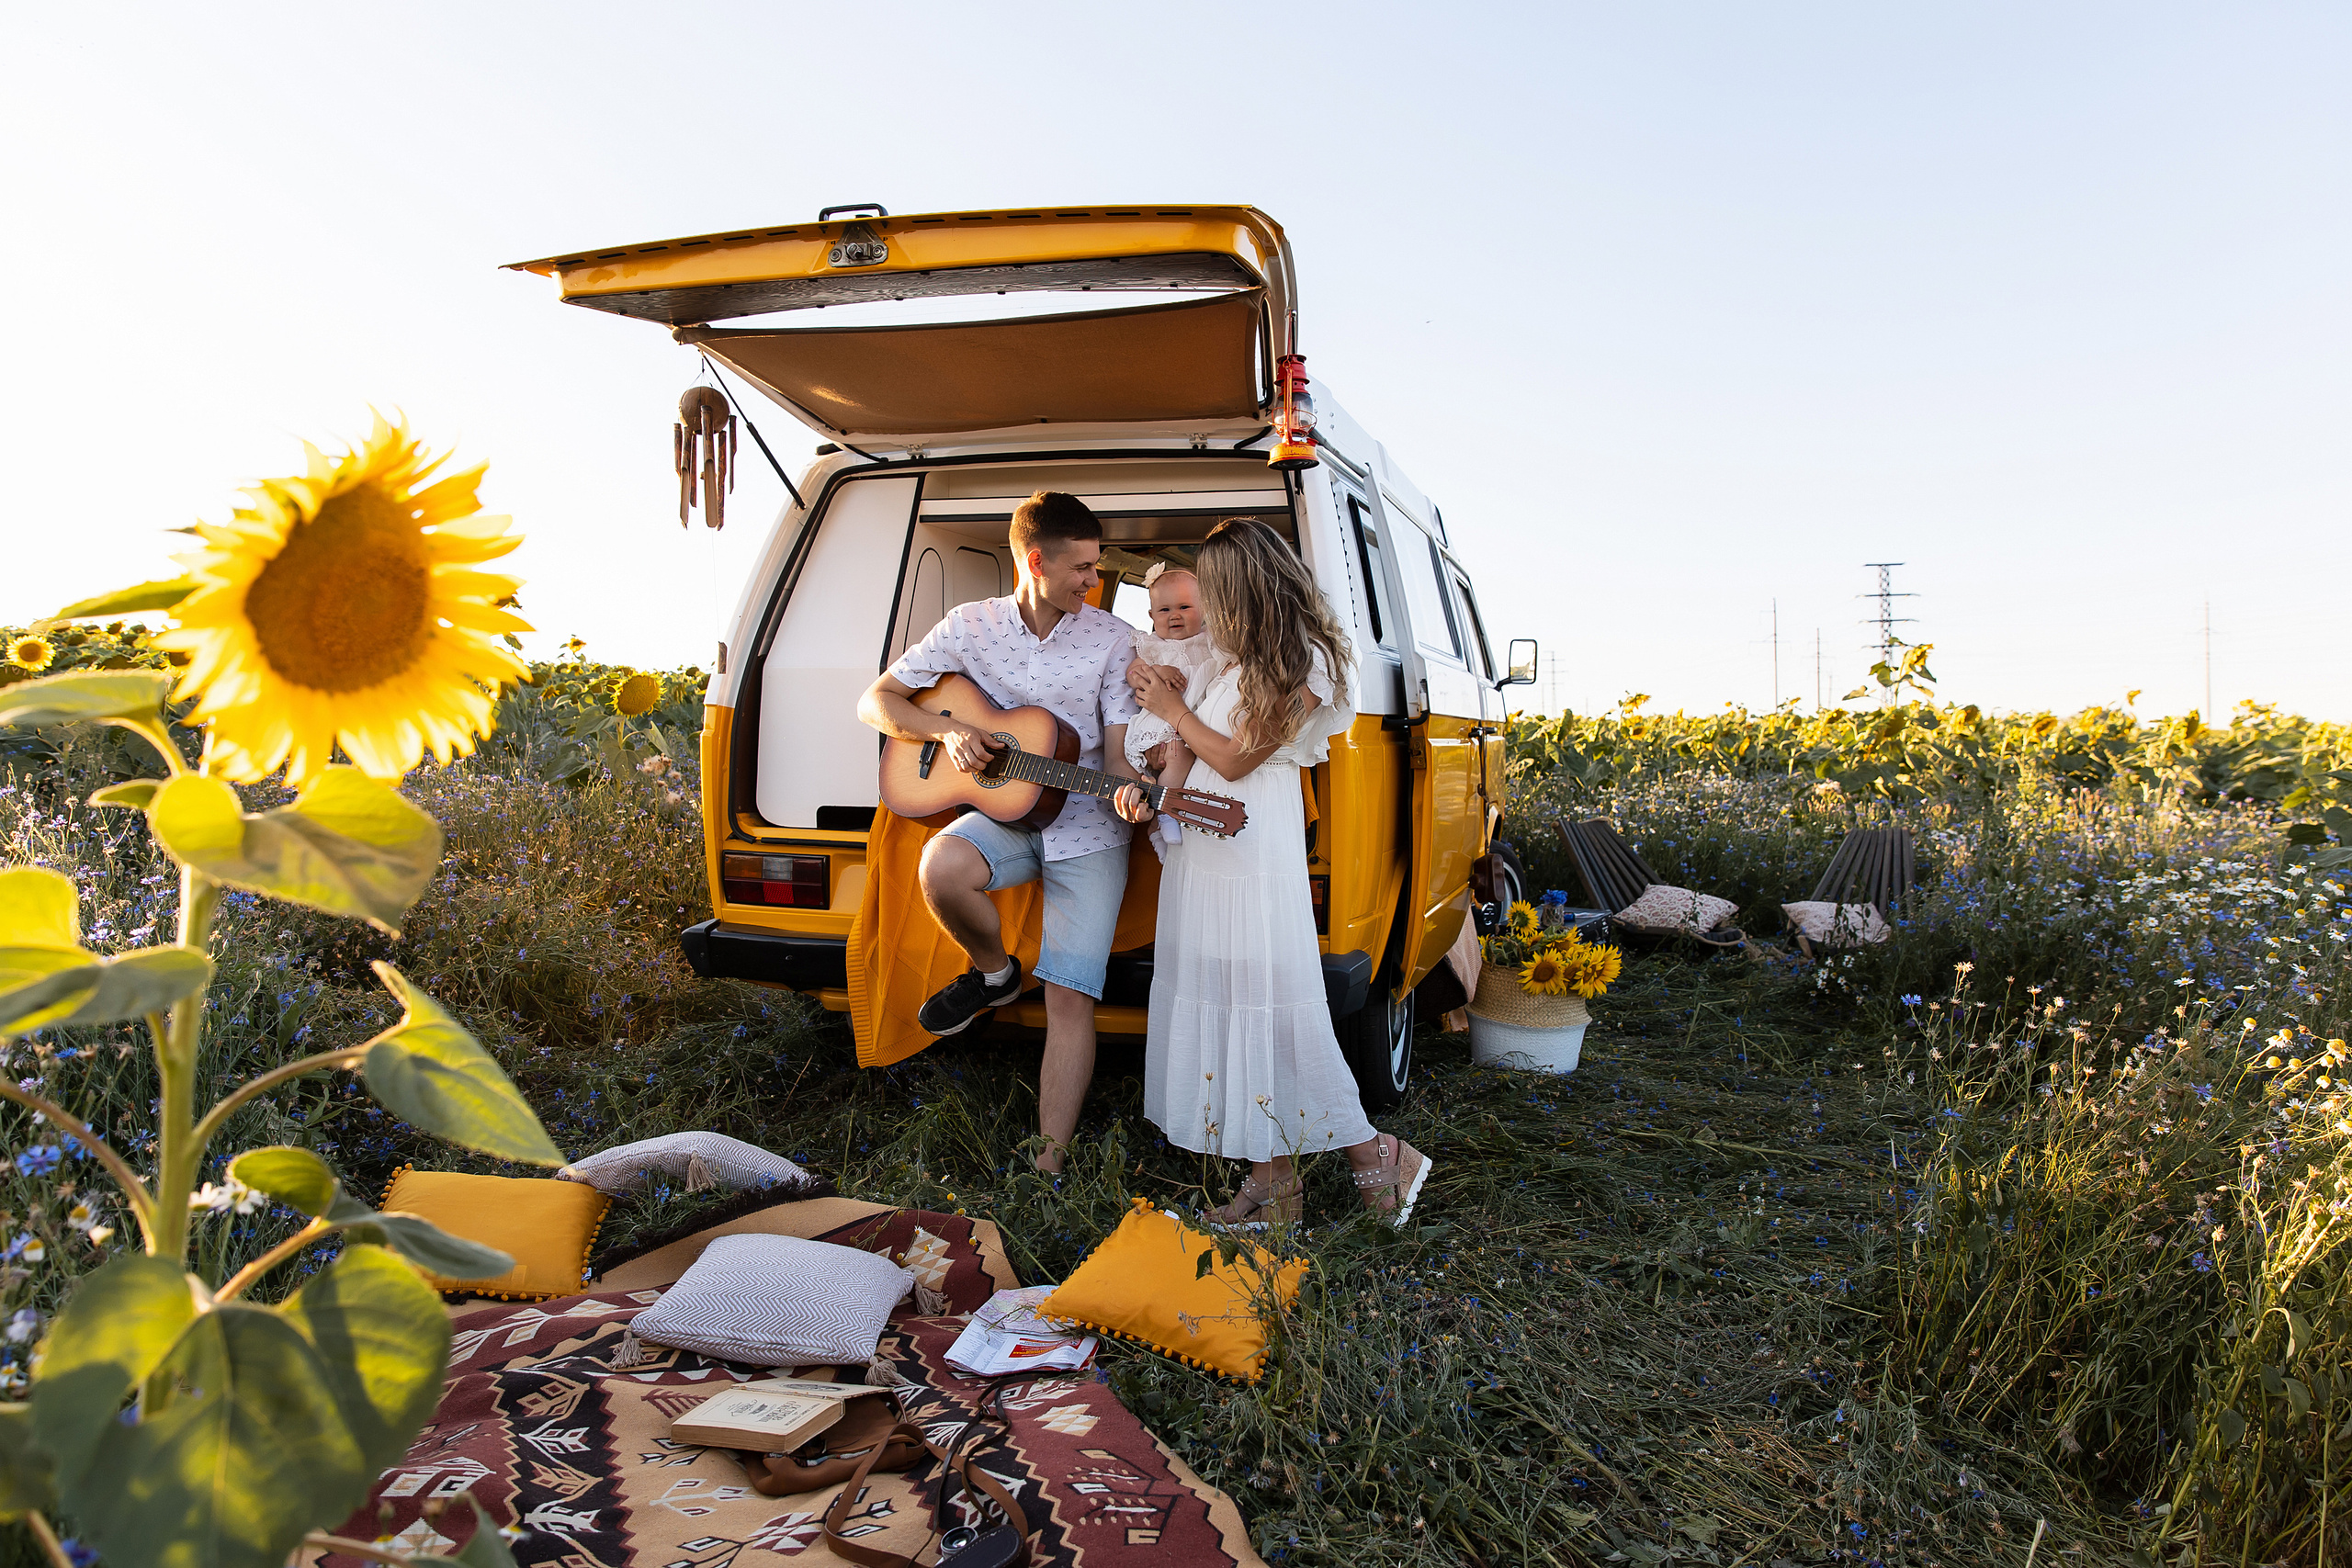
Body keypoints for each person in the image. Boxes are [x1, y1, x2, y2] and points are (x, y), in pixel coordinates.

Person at [1134, 517, 1433, 1225]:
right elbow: (1194, 754)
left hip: (1251, 852)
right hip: (1206, 851)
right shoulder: (1225, 662)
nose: (1202, 606)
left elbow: (1239, 757)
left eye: (1211, 590)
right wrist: (1165, 730)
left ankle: (1377, 1153)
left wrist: (1173, 710)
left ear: (1240, 588)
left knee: (1274, 1013)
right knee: (1237, 1009)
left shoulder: (1304, 660)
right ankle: (1272, 1187)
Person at [857, 491, 1154, 1174]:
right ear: (1034, 560)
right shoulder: (969, 624)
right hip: (1003, 816)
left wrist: (1129, 790)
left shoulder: (1112, 638)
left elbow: (1113, 752)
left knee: (1069, 996)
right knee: (940, 865)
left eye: (1096, 566)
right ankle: (994, 973)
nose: (1094, 580)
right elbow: (877, 700)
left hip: (1088, 826)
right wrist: (949, 731)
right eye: (1080, 567)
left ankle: (1045, 1170)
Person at [1119, 563, 1219, 858]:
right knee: (1177, 758)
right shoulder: (1151, 647)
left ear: (1204, 608)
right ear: (1151, 616)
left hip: (1197, 722)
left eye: (1184, 606)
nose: (1174, 615)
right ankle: (1165, 815)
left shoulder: (1213, 642)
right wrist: (1157, 670)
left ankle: (1161, 821)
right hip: (1162, 723)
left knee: (1183, 761)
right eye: (1164, 610)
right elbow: (1133, 675)